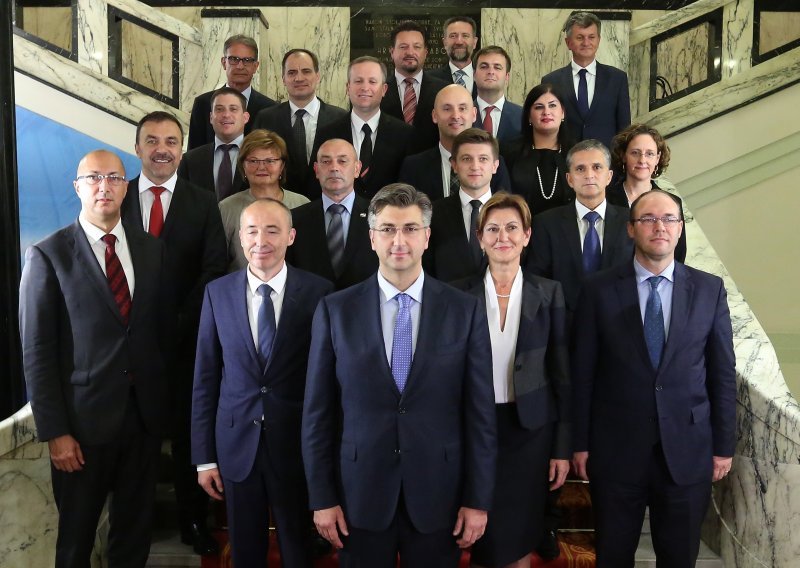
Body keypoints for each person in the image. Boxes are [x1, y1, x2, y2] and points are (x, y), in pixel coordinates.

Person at [302, 183, 497, 567]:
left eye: (410, 228)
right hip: (359, 494)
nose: (399, 240)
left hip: (439, 494)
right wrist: (322, 498)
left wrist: (477, 499)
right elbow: (317, 415)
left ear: (427, 237)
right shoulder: (335, 310)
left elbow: (480, 416)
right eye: (388, 229)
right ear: (372, 238)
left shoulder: (464, 310)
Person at [20, 150, 169, 567]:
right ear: (77, 187)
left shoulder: (150, 249)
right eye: (94, 178)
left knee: (133, 539)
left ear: (126, 187)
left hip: (142, 421)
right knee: (75, 543)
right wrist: (56, 432)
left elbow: (158, 334)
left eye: (114, 178)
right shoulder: (48, 255)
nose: (104, 186)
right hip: (81, 429)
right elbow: (37, 352)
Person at [571, 189, 736, 567]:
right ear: (630, 229)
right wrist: (579, 443)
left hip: (687, 450)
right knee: (613, 556)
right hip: (616, 450)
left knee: (679, 558)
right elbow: (583, 373)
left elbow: (722, 374)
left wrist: (723, 445)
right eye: (648, 219)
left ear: (680, 229)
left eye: (668, 219)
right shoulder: (598, 289)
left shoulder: (709, 289)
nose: (659, 227)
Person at [192, 199, 333, 568]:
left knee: (298, 549)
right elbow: (205, 378)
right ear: (240, 237)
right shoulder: (217, 293)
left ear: (291, 236)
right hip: (236, 445)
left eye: (272, 230)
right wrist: (204, 457)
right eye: (252, 231)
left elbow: (328, 381)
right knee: (245, 552)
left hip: (297, 444)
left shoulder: (320, 293)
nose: (261, 240)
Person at [122, 111, 228, 556]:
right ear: (138, 148)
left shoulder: (203, 202)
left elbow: (213, 268)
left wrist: (181, 321)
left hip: (186, 343)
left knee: (189, 436)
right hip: (126, 346)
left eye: (170, 141)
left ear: (182, 150)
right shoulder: (117, 197)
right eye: (152, 140)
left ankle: (193, 521)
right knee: (134, 439)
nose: (161, 149)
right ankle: (133, 526)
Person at [453, 192, 570, 568]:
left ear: (527, 235)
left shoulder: (549, 292)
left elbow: (561, 375)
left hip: (529, 431)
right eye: (493, 229)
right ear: (480, 237)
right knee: (480, 533)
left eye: (512, 228)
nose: (502, 236)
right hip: (472, 427)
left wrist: (562, 448)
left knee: (517, 535)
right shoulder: (456, 294)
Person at [526, 139, 633, 317]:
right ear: (569, 179)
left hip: (619, 319)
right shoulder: (546, 223)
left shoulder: (631, 221)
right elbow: (537, 280)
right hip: (565, 323)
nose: (589, 175)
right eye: (580, 169)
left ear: (609, 176)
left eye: (597, 167)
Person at [314, 56, 415, 200]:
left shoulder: (405, 134)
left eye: (372, 81)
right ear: (348, 88)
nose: (365, 88)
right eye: (358, 81)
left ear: (384, 89)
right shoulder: (327, 133)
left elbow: (409, 186)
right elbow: (316, 184)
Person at [253, 49, 348, 199]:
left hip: (327, 202)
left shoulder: (340, 118)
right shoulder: (266, 119)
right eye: (291, 73)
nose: (299, 78)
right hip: (279, 203)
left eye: (306, 71)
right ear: (283, 79)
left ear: (317, 76)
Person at [286, 139, 377, 290]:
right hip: (312, 303)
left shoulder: (379, 216)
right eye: (326, 162)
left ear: (357, 168)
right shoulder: (295, 219)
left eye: (342, 161)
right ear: (316, 170)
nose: (334, 168)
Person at [399, 85, 511, 202]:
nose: (456, 116)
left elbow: (504, 207)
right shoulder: (413, 167)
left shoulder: (494, 164)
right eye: (447, 109)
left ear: (474, 114)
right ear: (434, 115)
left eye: (462, 109)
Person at [218, 129, 310, 272]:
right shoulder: (226, 208)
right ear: (243, 166)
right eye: (253, 161)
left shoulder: (302, 204)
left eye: (270, 161)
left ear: (282, 166)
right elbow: (217, 261)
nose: (261, 167)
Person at [542, 12, 631, 149]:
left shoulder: (617, 78)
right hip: (564, 158)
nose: (586, 42)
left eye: (591, 37)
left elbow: (624, 129)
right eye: (580, 37)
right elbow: (545, 127)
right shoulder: (551, 81)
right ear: (568, 42)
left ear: (598, 40)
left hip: (606, 158)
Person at [425, 128, 498, 282]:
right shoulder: (432, 214)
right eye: (466, 159)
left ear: (495, 165)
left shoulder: (512, 213)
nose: (475, 166)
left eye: (483, 159)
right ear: (454, 165)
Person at [608, 123, 687, 263]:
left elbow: (678, 254)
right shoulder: (604, 199)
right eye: (635, 153)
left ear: (657, 158)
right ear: (623, 155)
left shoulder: (672, 202)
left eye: (649, 154)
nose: (642, 160)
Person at [188, 35, 276, 150]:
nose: (240, 66)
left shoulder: (270, 109)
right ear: (224, 63)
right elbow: (194, 154)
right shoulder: (203, 103)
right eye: (234, 59)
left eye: (247, 60)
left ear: (255, 66)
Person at [500, 84, 574, 217]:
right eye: (539, 107)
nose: (546, 112)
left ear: (562, 112)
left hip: (567, 227)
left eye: (552, 105)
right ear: (529, 116)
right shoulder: (509, 151)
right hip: (521, 226)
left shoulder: (576, 153)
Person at [381, 20, 448, 152]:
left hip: (430, 163)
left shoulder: (443, 90)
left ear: (425, 52)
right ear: (392, 52)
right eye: (403, 47)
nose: (410, 52)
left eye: (417, 47)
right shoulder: (378, 91)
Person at [178, 87, 249, 201]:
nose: (226, 115)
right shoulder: (190, 160)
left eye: (233, 109)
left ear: (245, 117)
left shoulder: (259, 157)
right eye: (219, 109)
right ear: (211, 117)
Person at [472, 46, 523, 142]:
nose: (491, 72)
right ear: (474, 74)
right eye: (484, 67)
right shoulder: (462, 115)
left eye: (497, 67)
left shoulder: (523, 116)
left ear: (507, 76)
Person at [429, 16, 479, 97]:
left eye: (465, 36)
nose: (459, 42)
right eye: (453, 36)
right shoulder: (429, 79)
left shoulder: (486, 77)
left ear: (474, 42)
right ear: (445, 43)